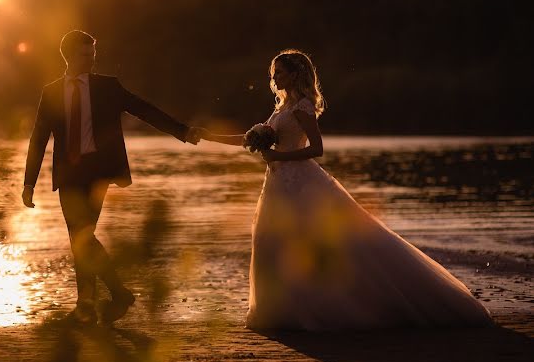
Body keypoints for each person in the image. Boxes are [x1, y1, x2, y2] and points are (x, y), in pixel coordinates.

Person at [198, 49, 492, 330]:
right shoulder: (281, 108)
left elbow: (317, 149)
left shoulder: (301, 107)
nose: (274, 78)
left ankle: (323, 308)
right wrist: (209, 136)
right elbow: (247, 139)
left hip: (300, 182)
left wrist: (278, 157)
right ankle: (284, 310)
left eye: (279, 73)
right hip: (277, 183)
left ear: (294, 75)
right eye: (273, 73)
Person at [23, 30, 201, 325]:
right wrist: (29, 182)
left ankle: (94, 302)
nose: (91, 60)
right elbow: (38, 137)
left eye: (93, 55)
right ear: (68, 55)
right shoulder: (51, 91)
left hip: (98, 172)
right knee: (79, 238)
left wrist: (182, 131)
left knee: (82, 237)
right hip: (67, 174)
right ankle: (103, 298)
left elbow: (144, 110)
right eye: (85, 55)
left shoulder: (108, 87)